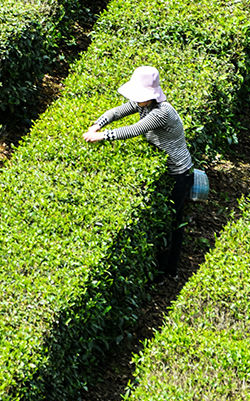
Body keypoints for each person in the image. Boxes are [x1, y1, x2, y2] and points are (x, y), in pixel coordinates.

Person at [82, 65, 193, 276]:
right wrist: (98, 124)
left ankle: (170, 270)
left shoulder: (162, 112)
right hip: (166, 167)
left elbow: (134, 130)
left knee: (174, 220)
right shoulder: (142, 103)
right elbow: (117, 112)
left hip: (179, 172)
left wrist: (103, 136)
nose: (137, 99)